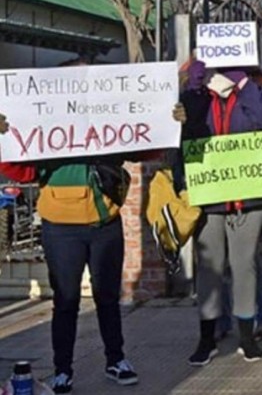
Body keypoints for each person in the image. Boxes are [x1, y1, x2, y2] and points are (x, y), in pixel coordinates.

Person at [0, 58, 184, 393]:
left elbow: (145, 147)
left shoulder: (107, 120)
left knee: (108, 297)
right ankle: (62, 370)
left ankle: (116, 359)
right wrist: (4, 138)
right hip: (60, 227)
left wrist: (168, 121)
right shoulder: (44, 124)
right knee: (66, 300)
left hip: (105, 223)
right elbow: (21, 171)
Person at [179, 63, 262, 366]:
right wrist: (195, 89)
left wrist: (244, 85)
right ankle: (207, 337)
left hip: (249, 194)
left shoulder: (260, 88)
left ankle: (247, 336)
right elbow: (188, 131)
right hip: (210, 193)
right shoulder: (199, 93)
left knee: (244, 264)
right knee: (209, 265)